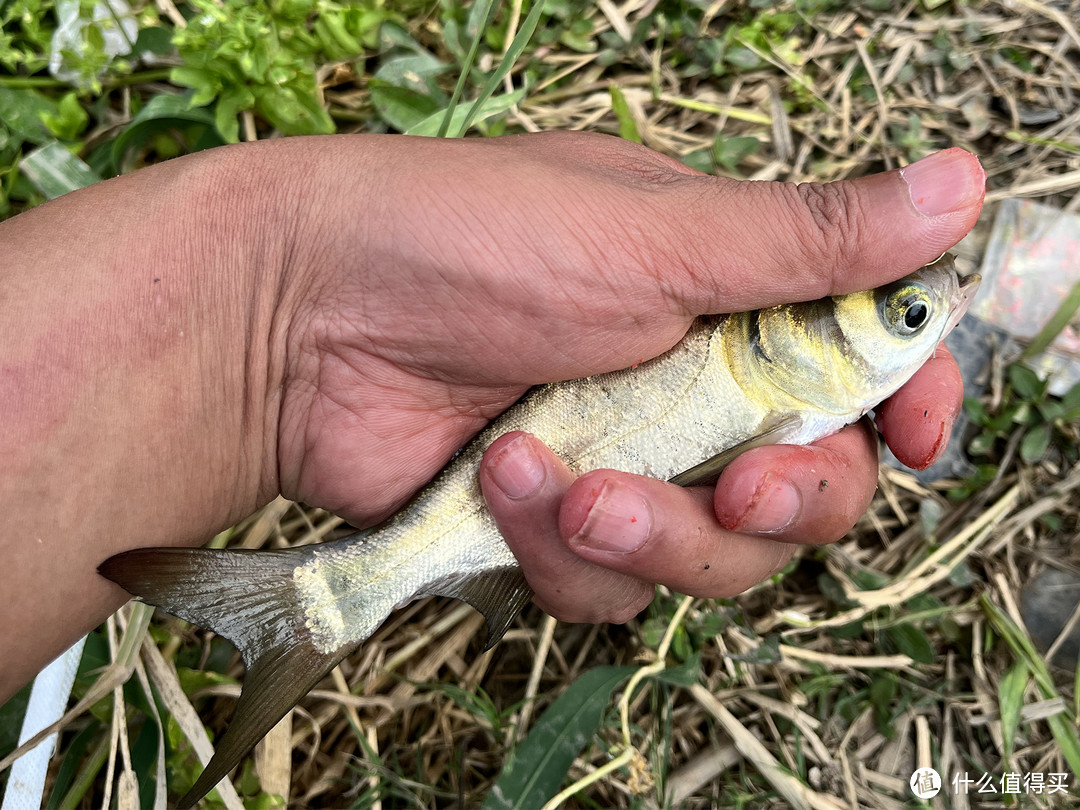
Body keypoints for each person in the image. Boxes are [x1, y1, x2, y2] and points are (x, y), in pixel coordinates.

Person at [0, 131, 985, 701]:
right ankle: (330, 599)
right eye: (908, 316)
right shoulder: (774, 376)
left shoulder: (788, 397)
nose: (925, 318)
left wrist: (280, 318)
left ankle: (331, 598)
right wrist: (282, 307)